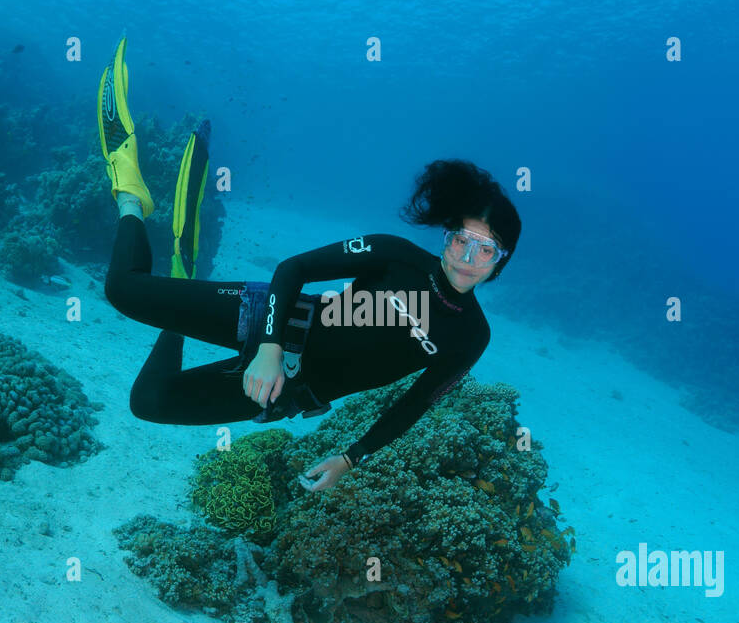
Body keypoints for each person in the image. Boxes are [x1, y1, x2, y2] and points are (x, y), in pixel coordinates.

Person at [99, 38, 521, 493]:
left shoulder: (472, 336)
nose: (467, 258)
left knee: (149, 402)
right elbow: (293, 268)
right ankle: (130, 193)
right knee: (122, 290)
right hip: (269, 319)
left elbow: (416, 403)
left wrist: (349, 458)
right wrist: (268, 349)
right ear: (447, 238)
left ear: (501, 261)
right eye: (462, 240)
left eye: (486, 250)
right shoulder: (394, 254)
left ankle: (176, 310)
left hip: (291, 393)